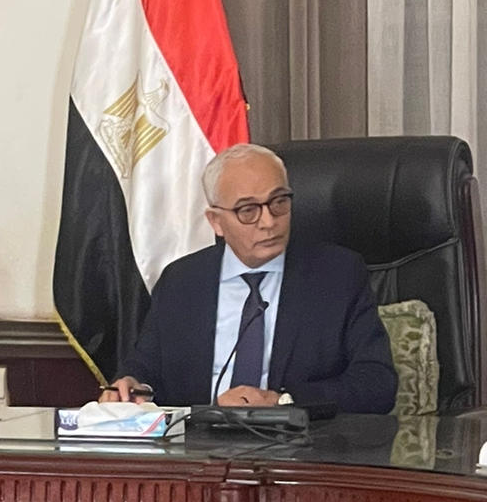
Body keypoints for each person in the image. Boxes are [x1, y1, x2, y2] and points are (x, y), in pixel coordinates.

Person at [102, 143, 398, 413]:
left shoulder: (337, 275)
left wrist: (282, 401)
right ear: (216, 222)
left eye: (278, 202)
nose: (268, 222)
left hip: (299, 446)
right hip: (198, 445)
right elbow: (145, 368)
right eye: (248, 210)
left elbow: (377, 383)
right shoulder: (181, 282)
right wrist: (134, 385)